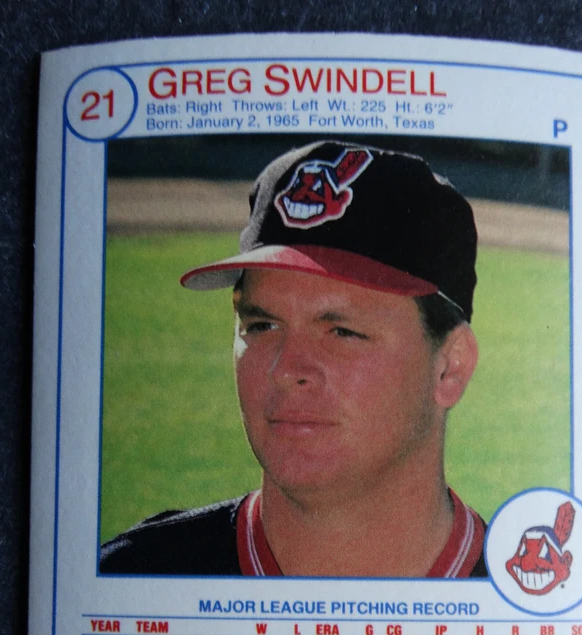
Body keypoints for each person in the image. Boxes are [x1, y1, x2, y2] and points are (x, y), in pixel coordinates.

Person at [100, 140, 486, 578]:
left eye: (343, 332)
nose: (285, 369)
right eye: (262, 326)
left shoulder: (524, 604)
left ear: (450, 367)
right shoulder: (131, 578)